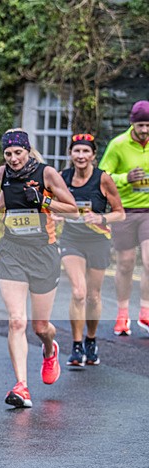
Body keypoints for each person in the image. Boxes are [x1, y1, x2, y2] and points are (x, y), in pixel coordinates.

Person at [0, 129, 77, 408]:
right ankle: (21, 387)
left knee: (40, 326)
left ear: (27, 150)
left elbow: (72, 209)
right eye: (8, 154)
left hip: (43, 253)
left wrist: (44, 200)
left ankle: (50, 349)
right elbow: (6, 193)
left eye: (18, 153)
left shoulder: (47, 174)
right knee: (16, 321)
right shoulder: (3, 173)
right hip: (12, 251)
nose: (13, 159)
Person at [54, 134, 124, 366]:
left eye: (86, 151)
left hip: (98, 241)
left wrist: (100, 217)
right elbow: (51, 204)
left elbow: (120, 213)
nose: (81, 155)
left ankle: (91, 340)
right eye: (77, 151)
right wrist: (55, 214)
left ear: (93, 155)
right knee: (78, 292)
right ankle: (76, 346)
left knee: (93, 297)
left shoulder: (103, 179)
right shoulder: (62, 178)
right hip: (72, 239)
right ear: (70, 154)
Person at [98, 100, 149, 336]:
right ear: (132, 123)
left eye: (148, 125)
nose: (145, 130)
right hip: (124, 210)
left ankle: (145, 312)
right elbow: (103, 175)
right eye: (141, 125)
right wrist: (125, 178)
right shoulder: (118, 145)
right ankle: (122, 314)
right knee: (126, 263)